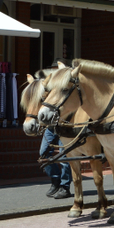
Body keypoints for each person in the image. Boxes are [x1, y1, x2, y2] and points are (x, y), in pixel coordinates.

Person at [40, 59, 72, 199]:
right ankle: (55, 180)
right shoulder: (50, 85)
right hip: (51, 127)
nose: (54, 73)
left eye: (56, 70)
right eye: (52, 70)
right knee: (43, 153)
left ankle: (65, 187)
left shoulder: (67, 85)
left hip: (65, 125)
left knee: (64, 158)